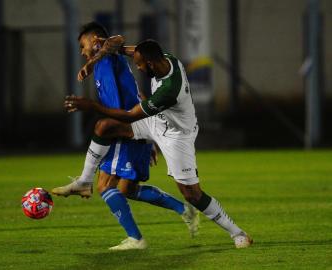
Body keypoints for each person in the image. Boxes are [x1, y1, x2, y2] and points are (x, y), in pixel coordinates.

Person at [62, 38, 253, 249]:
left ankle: (238, 233)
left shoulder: (169, 89)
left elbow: (129, 116)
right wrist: (95, 57)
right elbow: (122, 45)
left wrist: (91, 105)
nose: (138, 67)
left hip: (176, 136)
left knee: (192, 194)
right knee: (105, 127)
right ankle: (84, 181)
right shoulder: (164, 59)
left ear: (150, 63)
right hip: (156, 122)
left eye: (139, 65)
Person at [51, 22, 199, 250]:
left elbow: (116, 40)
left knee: (105, 187)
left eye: (83, 46)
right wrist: (152, 137)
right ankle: (183, 209)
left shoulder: (108, 55)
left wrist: (92, 61)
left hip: (125, 130)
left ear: (94, 41)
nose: (82, 52)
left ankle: (135, 238)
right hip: (135, 130)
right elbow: (137, 93)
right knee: (126, 190)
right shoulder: (105, 62)